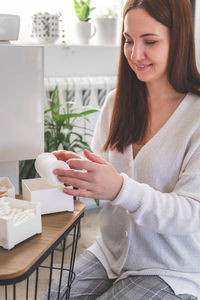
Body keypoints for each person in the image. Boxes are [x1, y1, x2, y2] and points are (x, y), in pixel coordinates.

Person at [51, 0, 200, 299]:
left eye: (150, 41)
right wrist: (82, 174)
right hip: (109, 254)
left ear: (179, 40)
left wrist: (120, 188)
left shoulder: (195, 117)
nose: (135, 54)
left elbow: (191, 213)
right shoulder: (115, 103)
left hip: (170, 268)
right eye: (128, 40)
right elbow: (106, 172)